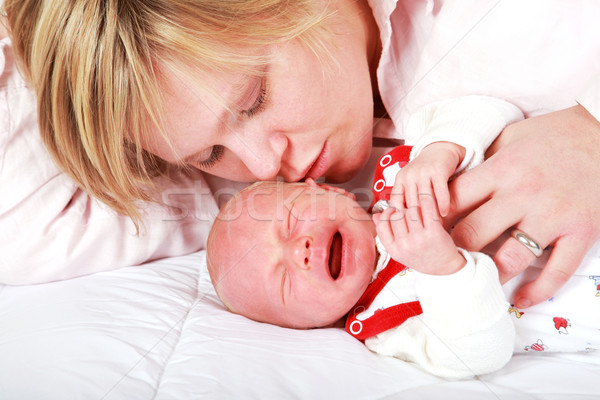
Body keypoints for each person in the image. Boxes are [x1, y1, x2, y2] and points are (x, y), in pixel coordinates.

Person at [2, 0, 600, 306]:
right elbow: (15, 228)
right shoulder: (249, 198)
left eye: (255, 97)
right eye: (210, 152)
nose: (263, 169)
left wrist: (591, 133)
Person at [206, 146, 600, 378]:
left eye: (291, 222)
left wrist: (441, 149)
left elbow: (478, 113)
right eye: (285, 282)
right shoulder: (387, 330)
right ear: (309, 324)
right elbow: (483, 356)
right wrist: (443, 271)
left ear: (330, 191)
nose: (299, 251)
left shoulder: (404, 180)